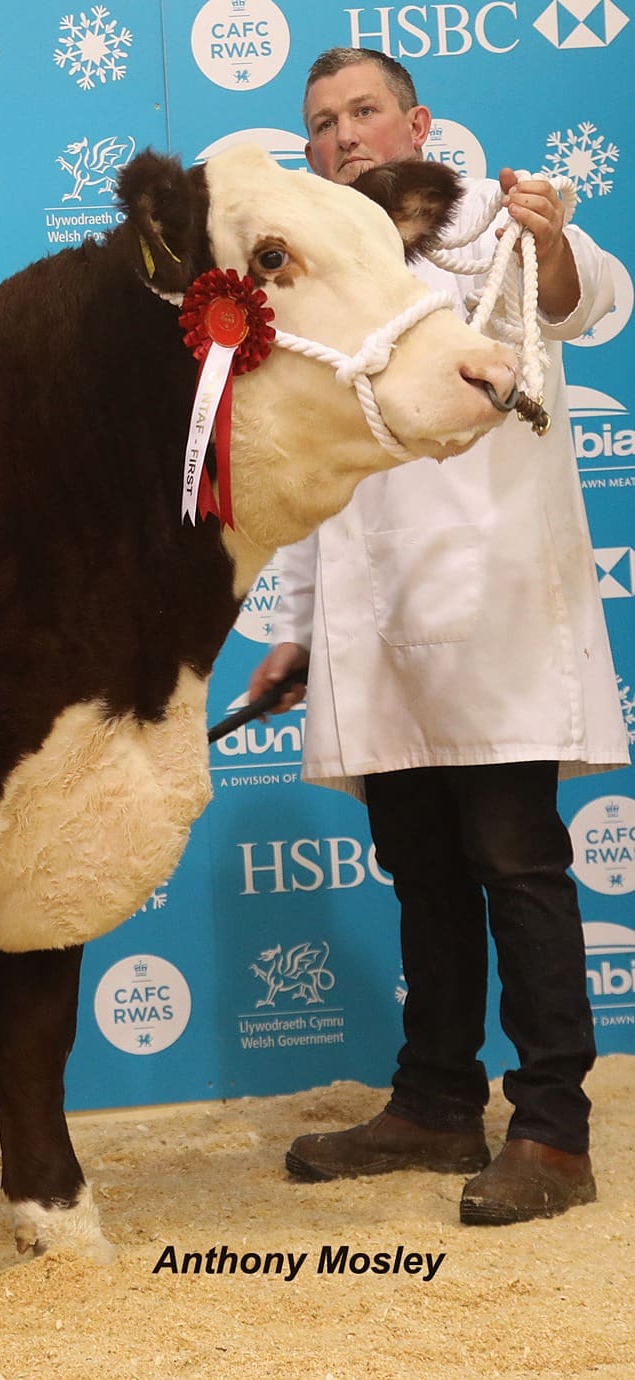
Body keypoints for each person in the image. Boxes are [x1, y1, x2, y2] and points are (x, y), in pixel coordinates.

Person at [247, 47, 625, 1224]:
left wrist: (555, 238)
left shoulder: (497, 234)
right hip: (376, 621)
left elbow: (593, 302)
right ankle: (436, 1102)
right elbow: (316, 463)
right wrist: (299, 628)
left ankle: (555, 1131)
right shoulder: (308, 282)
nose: (345, 135)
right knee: (418, 872)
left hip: (497, 600)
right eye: (321, 124)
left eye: (364, 112)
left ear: (418, 121)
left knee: (516, 858)